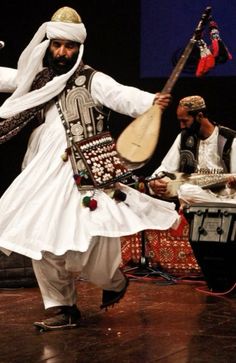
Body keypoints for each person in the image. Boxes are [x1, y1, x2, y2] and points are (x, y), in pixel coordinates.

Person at [0, 7, 179, 331]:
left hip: (83, 169)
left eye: (69, 46)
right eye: (57, 45)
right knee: (40, 237)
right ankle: (61, 307)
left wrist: (150, 101)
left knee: (90, 235)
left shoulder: (91, 79)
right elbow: (9, 78)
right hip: (42, 169)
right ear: (48, 46)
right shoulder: (38, 79)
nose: (62, 52)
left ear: (78, 47)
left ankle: (111, 280)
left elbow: (119, 95)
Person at [148, 95, 236, 203]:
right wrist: (154, 181)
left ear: (199, 116)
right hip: (197, 195)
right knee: (186, 191)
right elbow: (166, 168)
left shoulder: (229, 139)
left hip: (228, 198)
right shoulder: (184, 137)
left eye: (185, 121)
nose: (181, 126)